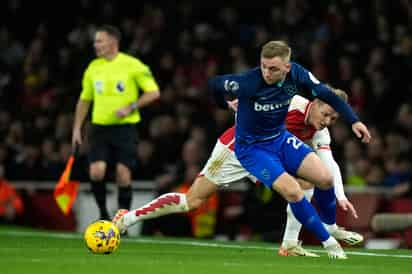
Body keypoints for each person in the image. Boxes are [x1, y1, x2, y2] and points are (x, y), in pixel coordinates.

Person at [72, 25, 160, 220]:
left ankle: (122, 219)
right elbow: (84, 100)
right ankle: (103, 214)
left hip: (124, 129)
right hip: (99, 128)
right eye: (95, 41)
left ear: (113, 42)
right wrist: (77, 128)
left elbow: (154, 92)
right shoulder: (93, 67)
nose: (95, 45)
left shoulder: (133, 65)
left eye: (100, 41)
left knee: (123, 174)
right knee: (96, 172)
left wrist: (131, 106)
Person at [278, 88, 362, 257]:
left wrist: (341, 196)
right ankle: (326, 231)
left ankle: (290, 244)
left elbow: (329, 164)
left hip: (271, 154)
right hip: (245, 148)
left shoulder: (320, 131)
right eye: (325, 114)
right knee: (208, 187)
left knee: (306, 182)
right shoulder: (293, 104)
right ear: (316, 104)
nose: (328, 121)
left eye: (333, 118)